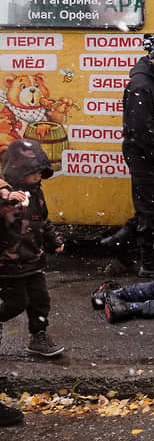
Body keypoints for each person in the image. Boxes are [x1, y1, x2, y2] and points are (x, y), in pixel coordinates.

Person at [101, 33, 154, 279]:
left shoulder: (151, 79)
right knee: (151, 213)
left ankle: (117, 244)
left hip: (148, 157)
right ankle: (149, 265)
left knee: (150, 211)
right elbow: (140, 130)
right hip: (145, 158)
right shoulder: (142, 85)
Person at [0, 139, 65, 358]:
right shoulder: (5, 191)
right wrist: (7, 199)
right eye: (33, 172)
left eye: (40, 172)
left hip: (34, 260)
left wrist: (53, 240)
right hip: (9, 263)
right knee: (16, 303)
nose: (38, 176)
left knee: (40, 301)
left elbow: (42, 221)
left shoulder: (36, 192)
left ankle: (38, 337)